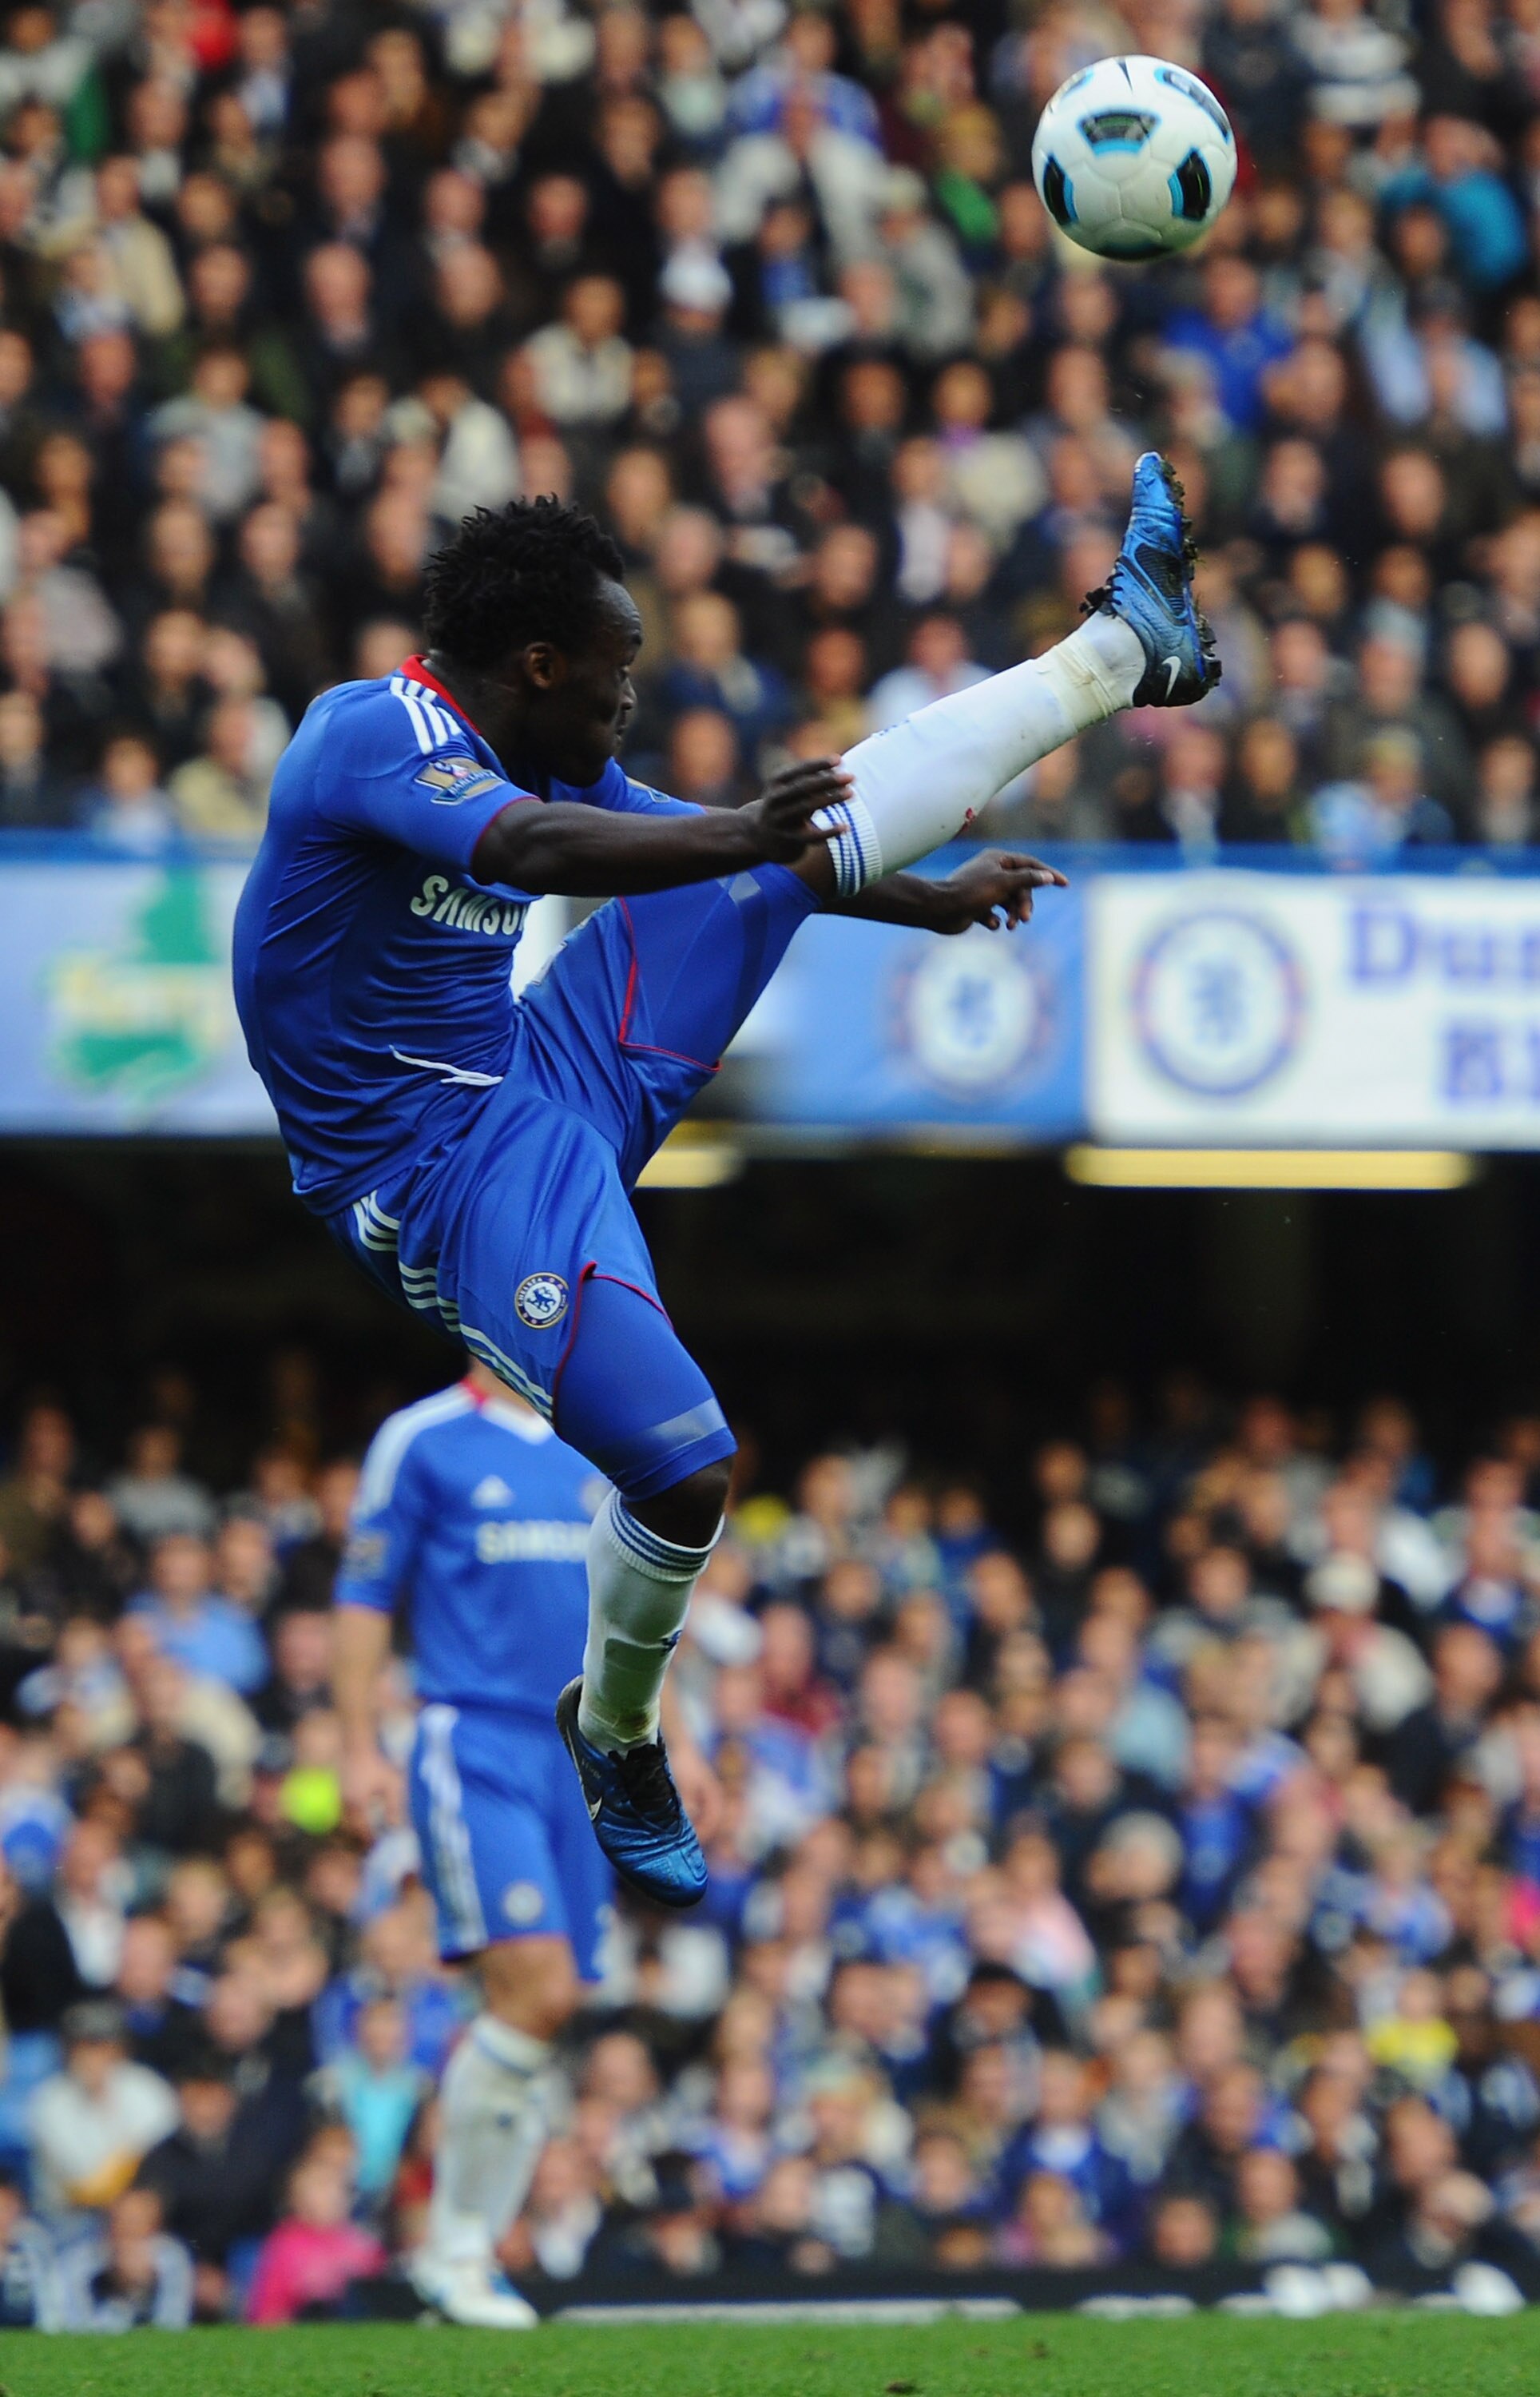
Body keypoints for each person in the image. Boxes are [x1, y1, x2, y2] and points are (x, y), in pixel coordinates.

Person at [235, 469, 1216, 1918]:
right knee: (689, 1470)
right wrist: (757, 840)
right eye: (619, 667)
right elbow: (536, 853)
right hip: (434, 1176)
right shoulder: (370, 734)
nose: (632, 696)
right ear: (540, 665)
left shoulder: (537, 751)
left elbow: (727, 841)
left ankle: (1122, 652)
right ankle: (616, 1731)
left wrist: (919, 897)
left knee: (773, 843)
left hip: (525, 1068)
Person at [334, 1361, 712, 2324]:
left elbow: (642, 1616)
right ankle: (455, 2252)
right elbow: (365, 1593)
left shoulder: (606, 1444)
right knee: (534, 1988)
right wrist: (355, 1746)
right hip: (475, 1737)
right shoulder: (421, 1440)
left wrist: (680, 1740)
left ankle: (460, 2259)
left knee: (548, 2005)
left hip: (584, 1750)